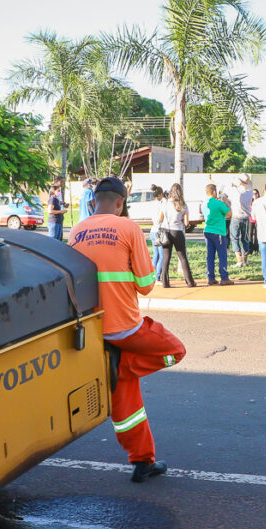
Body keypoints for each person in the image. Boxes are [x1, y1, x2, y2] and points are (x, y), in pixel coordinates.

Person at [68, 177, 184, 483]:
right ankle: (124, 366)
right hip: (124, 330)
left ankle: (142, 461)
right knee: (175, 351)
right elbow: (146, 286)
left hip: (93, 332)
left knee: (127, 407)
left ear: (93, 202)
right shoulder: (129, 228)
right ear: (121, 203)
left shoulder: (77, 230)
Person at [157, 183, 196, 288]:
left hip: (166, 231)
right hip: (177, 231)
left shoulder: (165, 203)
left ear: (171, 191)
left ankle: (165, 282)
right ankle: (190, 282)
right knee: (182, 257)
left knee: (166, 257)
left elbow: (160, 219)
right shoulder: (183, 204)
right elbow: (187, 223)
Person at [203, 183, 233, 286]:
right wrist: (225, 202)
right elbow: (229, 213)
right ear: (214, 192)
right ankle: (224, 277)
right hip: (218, 232)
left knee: (210, 256)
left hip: (207, 231)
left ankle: (210, 277)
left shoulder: (204, 203)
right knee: (222, 255)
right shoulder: (218, 203)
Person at [226, 175, 254, 267]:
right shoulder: (250, 193)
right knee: (245, 239)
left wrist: (237, 182)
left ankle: (239, 260)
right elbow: (249, 183)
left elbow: (231, 185)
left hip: (236, 217)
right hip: (246, 218)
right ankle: (245, 260)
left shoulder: (235, 193)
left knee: (234, 238)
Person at [149, 185, 166, 277]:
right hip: (159, 231)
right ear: (159, 195)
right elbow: (161, 219)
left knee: (156, 255)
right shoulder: (161, 204)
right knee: (162, 255)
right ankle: (157, 275)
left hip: (152, 230)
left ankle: (152, 274)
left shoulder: (151, 204)